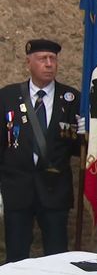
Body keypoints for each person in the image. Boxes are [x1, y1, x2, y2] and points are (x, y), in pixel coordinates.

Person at [0, 39, 82, 262]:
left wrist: (85, 135)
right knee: (16, 256)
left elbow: (78, 151)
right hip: (17, 190)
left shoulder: (72, 98)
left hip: (54, 190)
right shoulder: (7, 97)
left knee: (57, 256)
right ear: (29, 62)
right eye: (42, 59)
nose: (49, 64)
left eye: (52, 59)